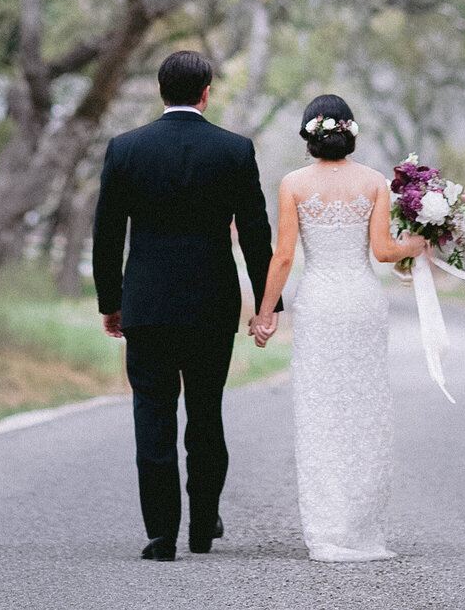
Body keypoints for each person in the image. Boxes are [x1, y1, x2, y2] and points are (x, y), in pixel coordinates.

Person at [92, 49, 281, 561]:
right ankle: (202, 526)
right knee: (205, 412)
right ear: (206, 92)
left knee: (152, 414)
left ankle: (161, 535)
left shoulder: (126, 149)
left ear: (160, 90)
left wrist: (111, 301)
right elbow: (257, 235)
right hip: (212, 304)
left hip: (147, 304)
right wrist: (268, 301)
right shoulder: (234, 150)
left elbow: (108, 233)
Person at [250, 93, 425, 561]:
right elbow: (385, 252)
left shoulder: (292, 184)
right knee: (365, 409)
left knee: (320, 411)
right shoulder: (373, 182)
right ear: (350, 132)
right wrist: (419, 244)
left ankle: (328, 528)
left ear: (309, 135)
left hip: (321, 302)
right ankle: (360, 527)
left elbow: (284, 256)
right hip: (363, 303)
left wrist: (266, 312)